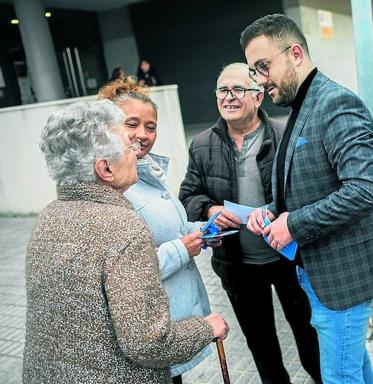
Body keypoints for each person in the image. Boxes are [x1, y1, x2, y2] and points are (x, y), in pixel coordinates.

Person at [241, 14, 373, 384]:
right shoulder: (303, 104)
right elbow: (309, 184)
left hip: (342, 279)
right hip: (320, 275)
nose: (260, 81)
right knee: (353, 368)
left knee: (339, 377)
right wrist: (270, 212)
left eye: (263, 67)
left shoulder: (335, 103)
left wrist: (293, 224)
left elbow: (365, 188)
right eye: (255, 71)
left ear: (295, 53)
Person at [23, 100, 229, 384]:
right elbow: (148, 342)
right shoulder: (122, 227)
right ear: (105, 169)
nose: (137, 151)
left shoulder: (49, 217)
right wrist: (205, 328)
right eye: (127, 147)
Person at [179, 63, 322, 384]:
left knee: (308, 335)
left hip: (291, 259)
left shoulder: (287, 136)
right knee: (261, 345)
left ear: (258, 97)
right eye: (222, 90)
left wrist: (280, 212)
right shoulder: (203, 145)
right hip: (238, 265)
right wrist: (211, 208)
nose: (228, 97)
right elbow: (188, 196)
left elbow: (310, 193)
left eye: (237, 90)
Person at [97, 78, 221, 384]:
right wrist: (183, 248)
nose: (142, 134)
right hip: (148, 327)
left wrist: (201, 231)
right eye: (132, 124)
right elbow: (126, 270)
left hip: (170, 322)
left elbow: (172, 230)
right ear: (111, 127)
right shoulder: (113, 184)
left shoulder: (148, 172)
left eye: (150, 126)